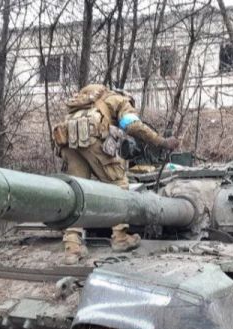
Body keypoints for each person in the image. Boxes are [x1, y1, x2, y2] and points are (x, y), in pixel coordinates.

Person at [52, 84, 180, 265]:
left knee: (77, 193)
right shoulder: (119, 100)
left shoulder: (84, 103)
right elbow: (132, 125)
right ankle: (120, 237)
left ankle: (72, 248)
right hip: (93, 140)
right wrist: (162, 142)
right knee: (119, 184)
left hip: (69, 144)